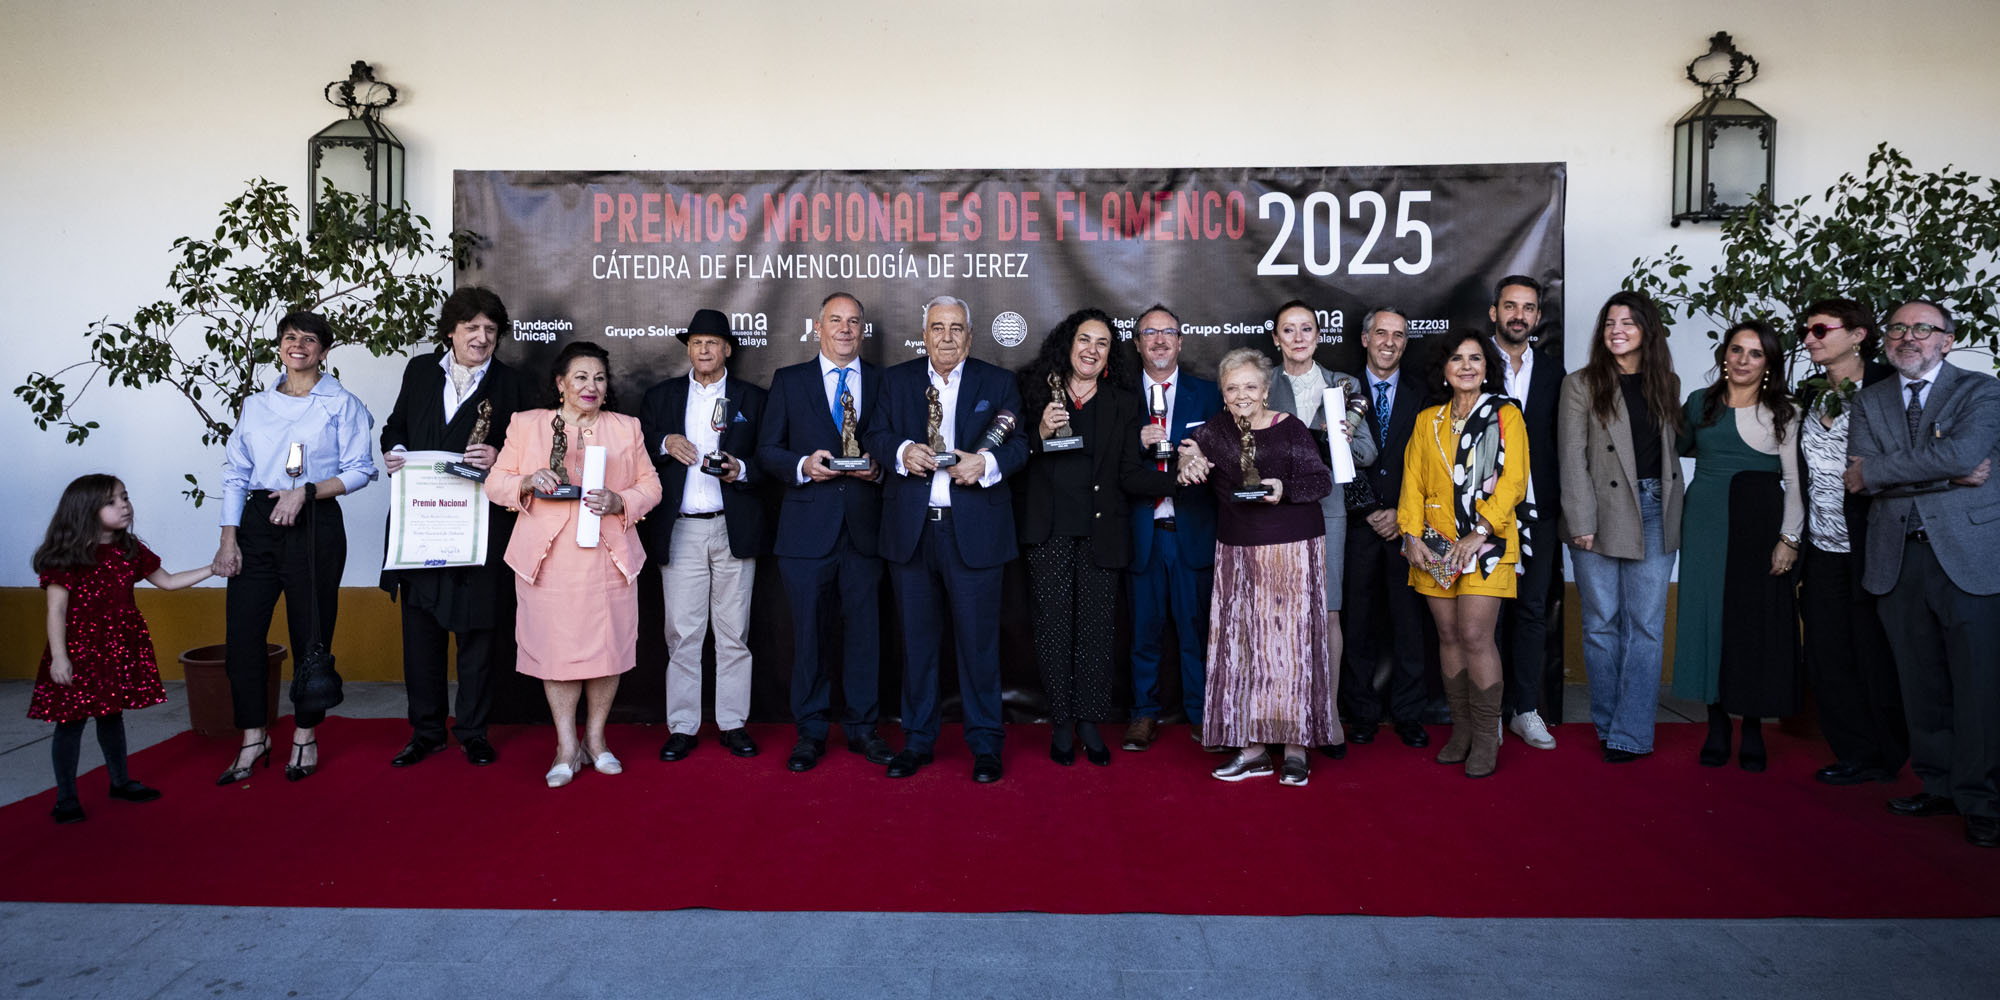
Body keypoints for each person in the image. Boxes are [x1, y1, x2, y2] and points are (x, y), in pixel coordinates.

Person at [1846, 299, 2000, 849]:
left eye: (1922, 328)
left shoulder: (1980, 390)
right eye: (1897, 328)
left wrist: (1889, 472)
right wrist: (1947, 473)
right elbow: (1858, 478)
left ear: (1948, 339)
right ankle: (1938, 786)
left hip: (1968, 557)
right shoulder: (1870, 400)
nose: (1907, 337)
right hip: (1898, 558)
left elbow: (1964, 455)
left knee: (1979, 685)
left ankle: (1984, 800)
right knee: (1921, 681)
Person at [863, 295, 1028, 783]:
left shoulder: (997, 382)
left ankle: (985, 744)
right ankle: (917, 741)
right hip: (912, 533)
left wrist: (988, 463)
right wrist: (901, 450)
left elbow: (1020, 445)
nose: (948, 337)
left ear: (970, 336)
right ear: (925, 333)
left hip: (973, 531)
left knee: (979, 645)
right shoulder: (895, 380)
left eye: (957, 329)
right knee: (917, 645)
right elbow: (873, 433)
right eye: (938, 328)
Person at [484, 341, 662, 788]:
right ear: (560, 384)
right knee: (557, 655)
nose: (591, 386)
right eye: (580, 377)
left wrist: (621, 500)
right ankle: (566, 745)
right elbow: (495, 482)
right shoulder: (527, 425)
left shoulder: (626, 428)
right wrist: (526, 480)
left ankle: (597, 740)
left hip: (609, 559)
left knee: (608, 653)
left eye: (599, 378)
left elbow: (651, 486)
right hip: (548, 561)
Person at [211, 311, 377, 785]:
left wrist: (304, 492)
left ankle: (305, 733)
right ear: (279, 347)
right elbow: (235, 474)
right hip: (257, 524)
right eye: (290, 338)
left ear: (324, 351)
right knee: (243, 638)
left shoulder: (341, 404)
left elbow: (362, 469)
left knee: (311, 635)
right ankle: (252, 736)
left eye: (309, 339)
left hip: (314, 523)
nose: (298, 345)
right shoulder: (255, 405)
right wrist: (229, 538)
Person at [378, 286, 539, 769]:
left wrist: (499, 457)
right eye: (472, 328)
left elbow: (531, 457)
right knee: (420, 636)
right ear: (451, 330)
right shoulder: (420, 371)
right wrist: (396, 453)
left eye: (491, 330)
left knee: (476, 637)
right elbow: (394, 427)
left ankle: (472, 731)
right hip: (421, 524)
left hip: (477, 528)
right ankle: (425, 731)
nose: (482, 337)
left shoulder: (512, 384)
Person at [1018, 308, 1174, 766]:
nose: (1091, 349)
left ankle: (1089, 720)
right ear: (1068, 344)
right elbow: (1008, 461)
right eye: (1084, 340)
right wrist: (1039, 434)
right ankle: (1062, 724)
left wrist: (1179, 479)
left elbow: (1128, 473)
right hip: (1047, 533)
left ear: (1110, 354)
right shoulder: (1031, 389)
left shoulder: (1123, 403)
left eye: (1102, 343)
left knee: (1095, 635)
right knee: (1052, 633)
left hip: (1102, 532)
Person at [1175, 348, 1335, 785]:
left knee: (1292, 651)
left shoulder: (1291, 428)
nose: (1241, 395)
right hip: (1237, 553)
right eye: (1232, 388)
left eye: (1250, 386)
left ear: (1265, 390)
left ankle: (1297, 750)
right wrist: (1187, 463)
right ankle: (1253, 751)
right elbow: (1190, 458)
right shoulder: (1215, 431)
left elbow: (1321, 480)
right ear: (1222, 394)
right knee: (1242, 651)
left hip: (1293, 549)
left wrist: (1283, 487)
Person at [755, 291, 894, 773]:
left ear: (863, 329)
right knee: (808, 638)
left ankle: (863, 730)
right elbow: (767, 450)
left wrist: (877, 471)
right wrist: (801, 465)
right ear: (818, 327)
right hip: (805, 535)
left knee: (864, 637)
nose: (845, 329)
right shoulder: (789, 381)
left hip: (865, 532)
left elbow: (897, 448)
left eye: (854, 322)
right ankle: (810, 733)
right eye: (836, 321)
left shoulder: (883, 382)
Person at [30, 475, 211, 822]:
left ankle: (120, 781)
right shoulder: (67, 556)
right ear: (85, 509)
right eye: (112, 501)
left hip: (118, 646)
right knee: (70, 723)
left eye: (125, 497)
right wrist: (59, 657)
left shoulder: (130, 550)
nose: (124, 505)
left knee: (112, 715)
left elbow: (169, 582)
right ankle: (66, 797)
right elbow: (56, 609)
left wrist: (213, 568)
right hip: (78, 649)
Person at [1396, 331, 1531, 778]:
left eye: (1476, 358)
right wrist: (1410, 534)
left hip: (1486, 543)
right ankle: (1463, 730)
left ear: (1486, 367)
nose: (1467, 366)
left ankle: (1488, 735)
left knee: (1475, 636)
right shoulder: (1427, 419)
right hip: (1435, 544)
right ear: (1445, 368)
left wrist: (1480, 531)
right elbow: (1412, 480)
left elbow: (1513, 480)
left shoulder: (1506, 413)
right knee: (1449, 636)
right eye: (1458, 358)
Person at [1557, 291, 1684, 763]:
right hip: (1598, 512)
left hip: (1655, 508)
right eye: (1610, 322)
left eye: (1628, 322)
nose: (1617, 330)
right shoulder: (1581, 384)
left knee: (1647, 627)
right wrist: (1581, 522)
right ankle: (1609, 724)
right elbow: (1571, 457)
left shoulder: (1665, 382)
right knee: (1600, 624)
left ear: (1647, 330)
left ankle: (1631, 732)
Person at [1673, 320, 1804, 772]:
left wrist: (1789, 539)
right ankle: (1715, 723)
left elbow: (1793, 481)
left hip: (1760, 523)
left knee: (1752, 624)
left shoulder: (1784, 410)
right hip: (1705, 519)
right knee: (1706, 616)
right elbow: (1675, 449)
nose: (1743, 360)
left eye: (1755, 353)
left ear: (1769, 363)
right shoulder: (1698, 404)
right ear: (1723, 355)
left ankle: (1750, 725)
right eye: (1736, 350)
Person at [641, 308, 768, 763]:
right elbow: (635, 451)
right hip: (681, 529)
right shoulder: (661, 398)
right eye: (696, 342)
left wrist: (743, 470)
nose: (704, 349)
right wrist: (663, 444)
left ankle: (733, 723)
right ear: (688, 349)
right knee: (682, 633)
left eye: (712, 342)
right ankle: (682, 726)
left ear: (727, 349)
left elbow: (770, 460)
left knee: (735, 633)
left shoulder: (754, 399)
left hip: (733, 526)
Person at [1793, 298, 1906, 785]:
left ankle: (1891, 752)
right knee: (1827, 652)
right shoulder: (1810, 392)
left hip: (1873, 543)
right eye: (1805, 330)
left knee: (1875, 652)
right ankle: (1854, 752)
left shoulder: (1888, 386)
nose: (1809, 338)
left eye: (1820, 329)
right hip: (1822, 547)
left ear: (1858, 335)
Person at [1264, 299, 1375, 760]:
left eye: (1306, 328)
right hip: (1272, 515)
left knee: (1328, 615)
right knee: (1278, 616)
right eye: (1288, 330)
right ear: (1276, 338)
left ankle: (1326, 714)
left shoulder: (1343, 385)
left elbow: (1366, 455)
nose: (1298, 337)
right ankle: (1278, 714)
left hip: (1328, 512)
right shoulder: (1261, 383)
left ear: (1319, 335)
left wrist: (1344, 436)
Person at [1121, 304, 1223, 752]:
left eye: (1168, 333)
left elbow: (1230, 460)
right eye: (1150, 333)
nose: (1159, 341)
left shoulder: (1208, 395)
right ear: (1138, 343)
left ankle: (1203, 714)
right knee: (1143, 631)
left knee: (1195, 630)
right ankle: (1143, 714)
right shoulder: (1122, 397)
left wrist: (1199, 458)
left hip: (1192, 532)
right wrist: (1133, 440)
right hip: (1142, 534)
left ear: (1181, 342)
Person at [1342, 307, 1433, 749]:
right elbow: (1330, 458)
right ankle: (1361, 713)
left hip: (1407, 527)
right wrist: (1367, 509)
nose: (1389, 342)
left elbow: (1434, 461)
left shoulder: (1425, 393)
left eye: (1399, 335)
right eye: (1381, 333)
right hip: (1356, 527)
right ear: (1364, 339)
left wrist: (1399, 512)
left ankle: (1410, 715)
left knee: (1409, 625)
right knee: (1356, 624)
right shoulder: (1339, 391)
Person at [1489, 276, 1567, 749]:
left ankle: (1525, 708)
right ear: (1494, 312)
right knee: (1487, 615)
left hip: (1540, 511)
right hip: (1484, 516)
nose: (1519, 315)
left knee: (1532, 610)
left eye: (1529, 308)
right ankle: (1488, 712)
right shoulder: (1473, 365)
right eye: (1510, 306)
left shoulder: (1557, 374)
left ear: (1538, 317)